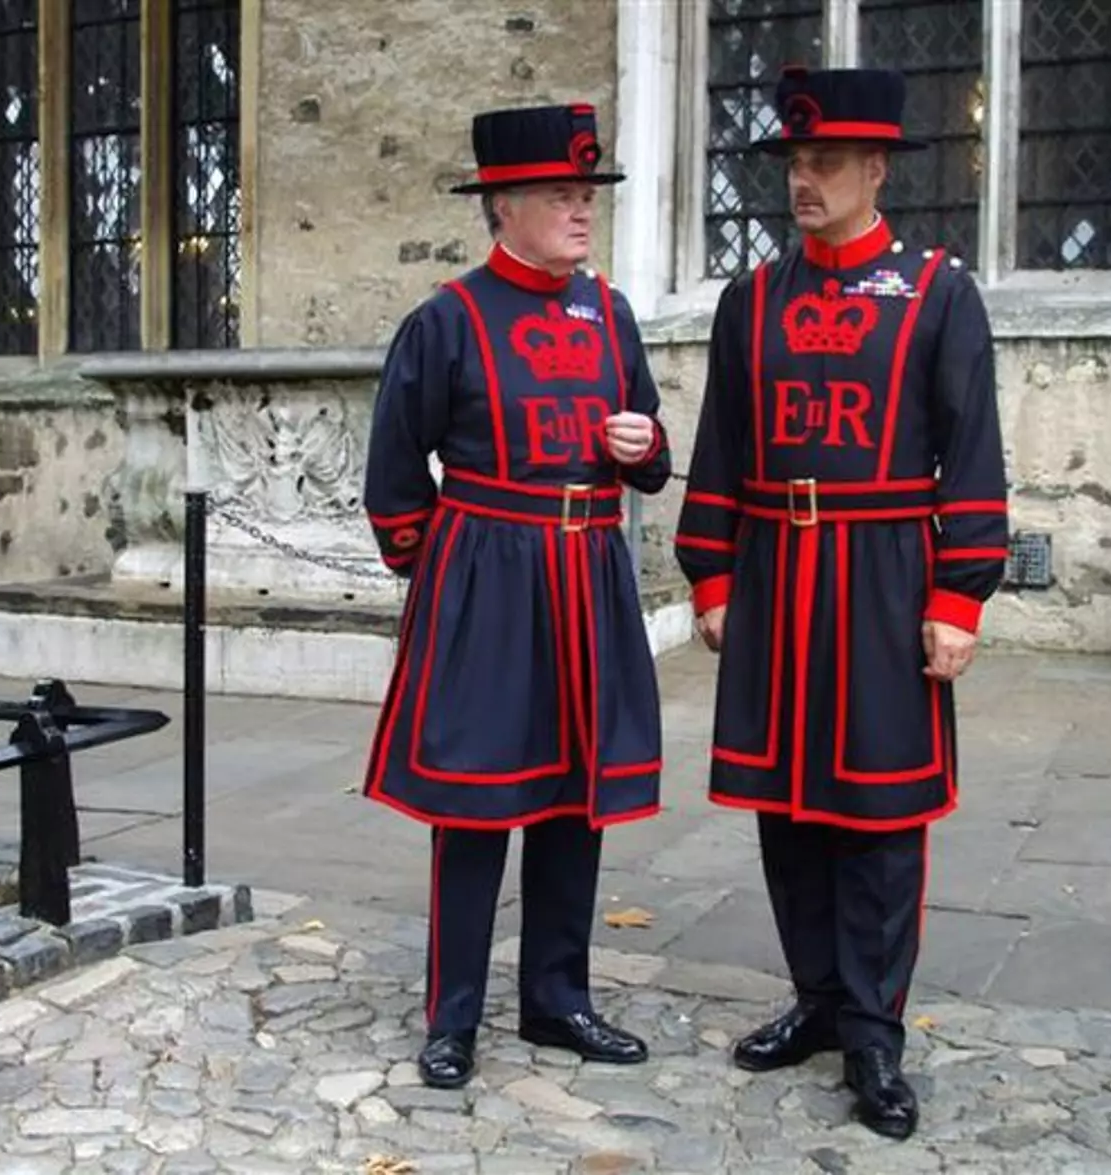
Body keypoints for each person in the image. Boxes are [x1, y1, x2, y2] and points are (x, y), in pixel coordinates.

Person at [675, 66, 1008, 1141]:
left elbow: (971, 453)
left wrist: (960, 594)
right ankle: (818, 998)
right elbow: (721, 440)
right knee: (788, 804)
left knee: (880, 814)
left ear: (876, 169)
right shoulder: (753, 299)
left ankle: (875, 1028)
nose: (803, 182)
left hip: (882, 578)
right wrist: (714, 572)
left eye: (824, 163)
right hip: (775, 572)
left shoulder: (938, 293)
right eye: (794, 163)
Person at [361, 102, 672, 1091]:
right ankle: (452, 1015)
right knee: (477, 802)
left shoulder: (610, 313)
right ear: (502, 206)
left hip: (589, 577)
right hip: (487, 581)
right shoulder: (445, 321)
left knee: (576, 797)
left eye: (588, 195)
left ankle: (557, 998)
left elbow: (652, 450)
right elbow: (393, 472)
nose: (583, 212)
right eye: (562, 196)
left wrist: (646, 449)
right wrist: (442, 579)